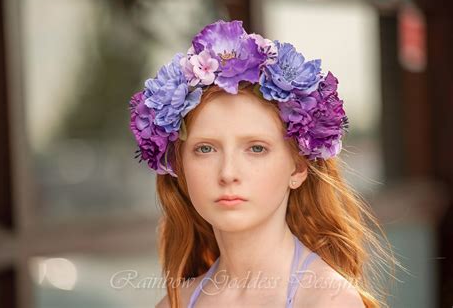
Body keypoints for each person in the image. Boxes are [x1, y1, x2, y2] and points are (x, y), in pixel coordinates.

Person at [129, 20, 397, 308]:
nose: (228, 173)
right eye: (205, 149)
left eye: (256, 148)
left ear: (297, 168)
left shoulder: (328, 301)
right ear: (179, 167)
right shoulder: (174, 304)